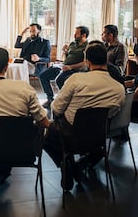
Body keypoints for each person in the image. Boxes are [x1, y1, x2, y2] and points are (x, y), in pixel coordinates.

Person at [43, 43, 125, 190]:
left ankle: (67, 163)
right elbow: (111, 113)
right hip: (98, 137)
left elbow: (56, 108)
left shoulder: (76, 80)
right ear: (106, 61)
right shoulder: (119, 89)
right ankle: (74, 165)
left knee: (46, 135)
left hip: (70, 135)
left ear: (87, 61)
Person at [0, 47, 50, 191]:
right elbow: (42, 121)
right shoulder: (24, 88)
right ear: (7, 67)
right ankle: (1, 171)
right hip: (26, 150)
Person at [39, 26, 89, 108]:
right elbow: (67, 58)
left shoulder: (87, 46)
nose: (74, 35)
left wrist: (70, 67)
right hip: (63, 66)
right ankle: (50, 99)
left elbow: (85, 63)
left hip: (75, 69)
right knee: (43, 76)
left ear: (83, 35)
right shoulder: (73, 44)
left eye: (76, 34)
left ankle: (66, 100)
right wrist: (65, 52)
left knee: (59, 80)